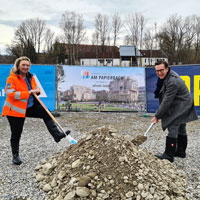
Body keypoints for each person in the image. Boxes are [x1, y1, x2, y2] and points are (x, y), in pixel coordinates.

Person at [2, 56, 67, 165]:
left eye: (27, 65)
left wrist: (36, 91)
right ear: (18, 65)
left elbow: (36, 89)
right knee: (16, 133)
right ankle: (15, 156)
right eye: (23, 65)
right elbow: (10, 94)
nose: (25, 67)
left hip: (30, 106)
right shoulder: (12, 78)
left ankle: (57, 135)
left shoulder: (30, 77)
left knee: (46, 113)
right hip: (15, 110)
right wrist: (28, 93)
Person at [152, 60, 198, 162]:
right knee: (181, 127)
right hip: (183, 103)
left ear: (167, 69)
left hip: (182, 105)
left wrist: (157, 116)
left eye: (161, 70)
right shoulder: (168, 76)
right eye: (157, 71)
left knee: (172, 126)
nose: (159, 73)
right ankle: (181, 152)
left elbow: (166, 101)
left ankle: (169, 155)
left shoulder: (172, 81)